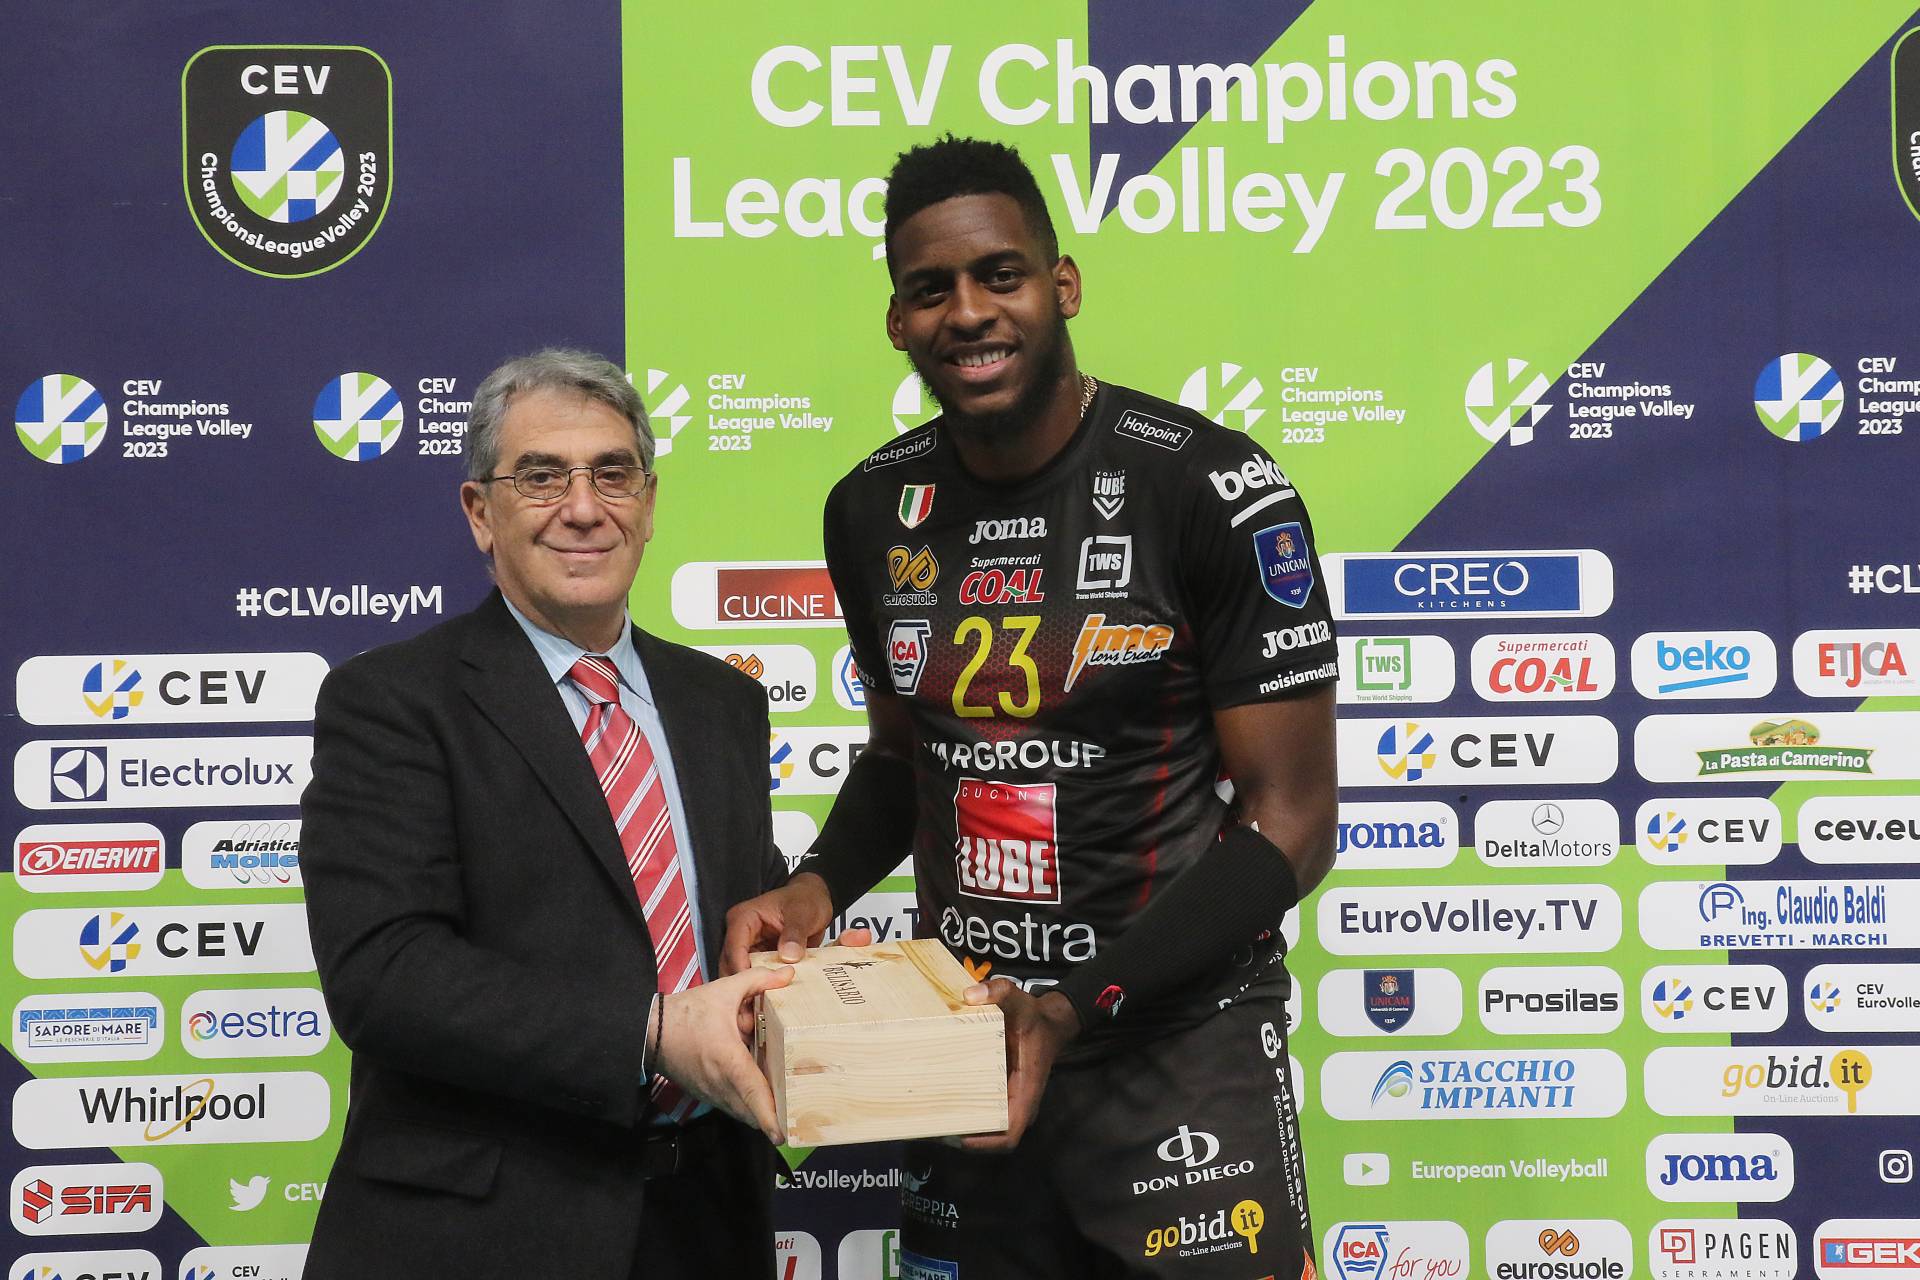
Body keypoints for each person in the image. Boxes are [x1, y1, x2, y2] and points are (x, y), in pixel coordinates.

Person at [723, 137, 1339, 1279]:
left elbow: (1294, 822)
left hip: (1179, 1049)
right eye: (930, 289)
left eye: (999, 275)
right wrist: (815, 885)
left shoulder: (1211, 489)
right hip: (972, 1043)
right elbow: (903, 761)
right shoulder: (871, 508)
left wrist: (1072, 1005)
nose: (967, 311)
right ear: (897, 322)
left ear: (1063, 285)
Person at [300, 348, 793, 1279]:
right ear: (479, 513)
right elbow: (384, 973)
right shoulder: (392, 701)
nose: (583, 507)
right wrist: (650, 1032)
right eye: (540, 477)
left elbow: (728, 921)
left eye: (612, 473)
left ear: (648, 501)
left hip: (707, 1222)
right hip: (485, 1237)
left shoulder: (722, 702)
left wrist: (815, 972)